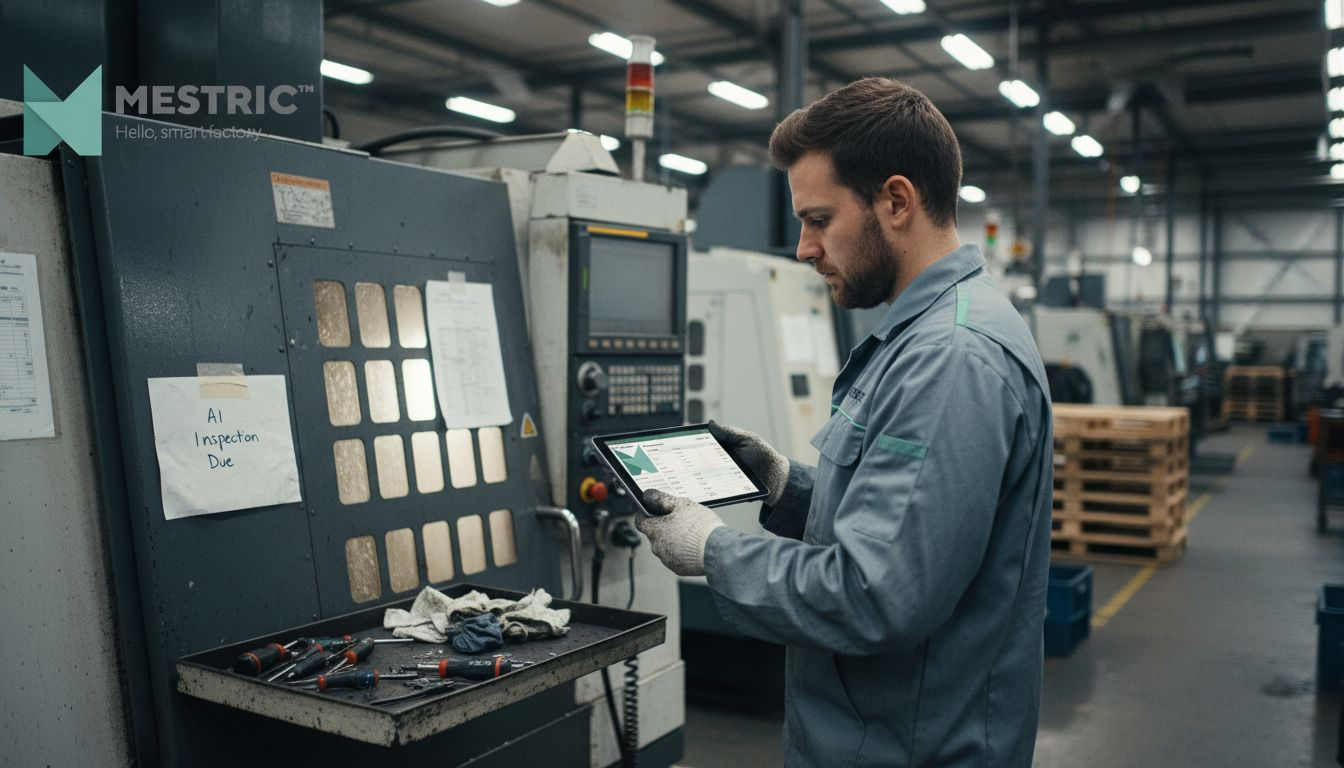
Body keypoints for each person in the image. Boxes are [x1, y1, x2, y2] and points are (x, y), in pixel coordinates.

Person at [637, 77, 1054, 767]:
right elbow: (909, 526)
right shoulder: (927, 337)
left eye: (820, 220)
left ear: (895, 201)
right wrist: (784, 488)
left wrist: (712, 551)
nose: (804, 248)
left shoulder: (950, 360)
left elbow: (875, 595)